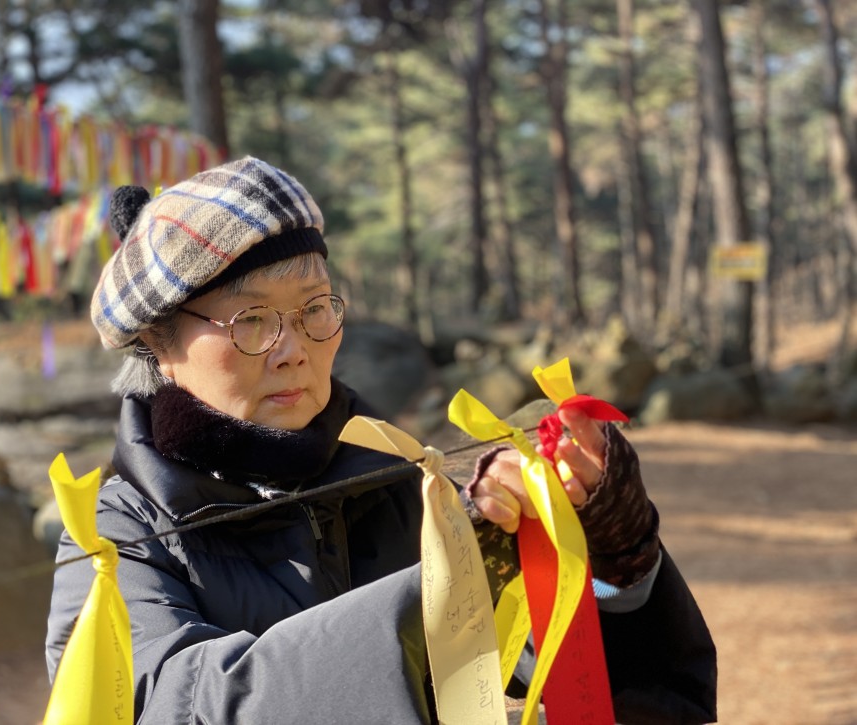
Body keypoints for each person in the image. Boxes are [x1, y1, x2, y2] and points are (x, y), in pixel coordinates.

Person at [46, 156, 717, 724]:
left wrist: (607, 539)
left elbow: (573, 687)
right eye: (251, 319)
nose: (293, 350)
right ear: (159, 344)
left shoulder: (402, 481)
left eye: (314, 308)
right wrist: (451, 582)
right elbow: (178, 701)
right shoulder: (109, 536)